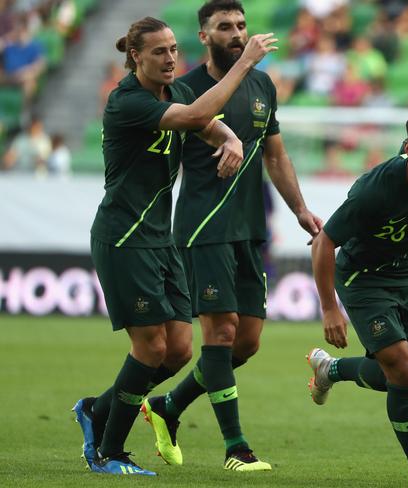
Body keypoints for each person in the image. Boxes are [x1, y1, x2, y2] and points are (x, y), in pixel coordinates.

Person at [71, 16, 276, 476]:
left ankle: (97, 410)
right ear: (135, 57)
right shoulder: (127, 101)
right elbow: (193, 118)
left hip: (161, 240)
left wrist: (230, 138)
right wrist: (244, 63)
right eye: (158, 52)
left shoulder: (176, 92)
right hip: (124, 238)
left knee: (180, 349)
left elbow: (206, 125)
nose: (169, 58)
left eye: (172, 50)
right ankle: (108, 451)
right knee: (149, 348)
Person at [140, 0, 322, 473]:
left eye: (241, 25)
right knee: (220, 333)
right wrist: (243, 64)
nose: (237, 33)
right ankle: (236, 448)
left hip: (248, 229)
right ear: (204, 36)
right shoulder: (184, 88)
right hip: (204, 226)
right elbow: (200, 124)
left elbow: (275, 155)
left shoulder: (263, 85)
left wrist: (300, 209)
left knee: (247, 342)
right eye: (225, 27)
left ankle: (168, 407)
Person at [308, 104, 408, 488]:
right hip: (364, 278)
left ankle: (332, 369)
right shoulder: (375, 190)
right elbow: (324, 241)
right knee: (402, 370)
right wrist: (329, 307)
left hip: (407, 275)